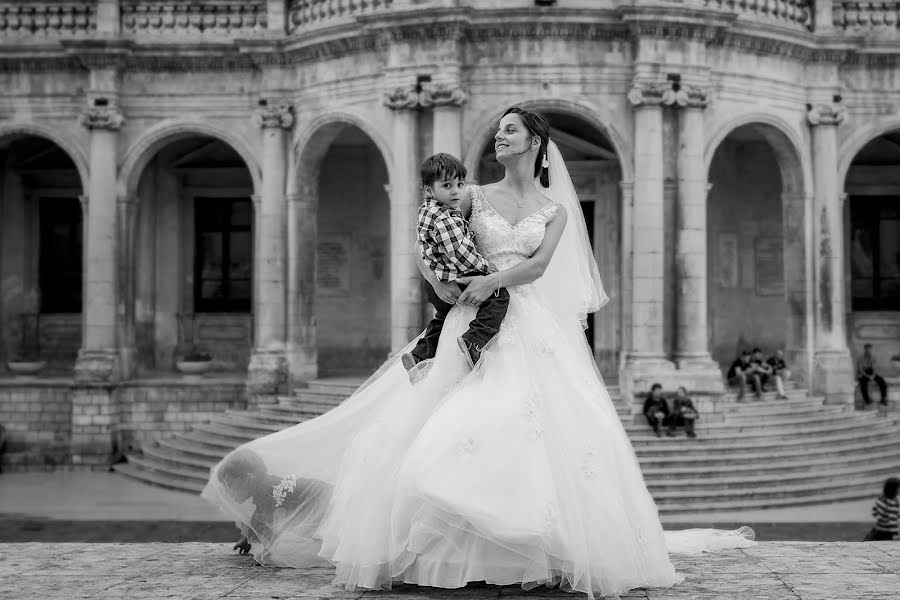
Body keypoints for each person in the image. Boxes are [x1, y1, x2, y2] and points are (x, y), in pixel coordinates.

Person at [202, 106, 754, 599]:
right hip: (469, 317)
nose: (499, 137)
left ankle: (539, 549)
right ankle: (442, 549)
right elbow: (430, 236)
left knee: (540, 432)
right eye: (498, 131)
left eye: (510, 130)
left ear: (535, 142)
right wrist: (439, 284)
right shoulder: (471, 195)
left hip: (528, 322)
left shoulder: (557, 209)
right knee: (443, 429)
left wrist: (494, 283)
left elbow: (537, 268)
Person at [401, 153, 509, 378]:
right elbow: (459, 253)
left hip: (438, 280)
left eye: (460, 184)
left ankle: (420, 354)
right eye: (447, 185)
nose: (455, 191)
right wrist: (486, 267)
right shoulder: (445, 217)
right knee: (499, 296)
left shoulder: (428, 211)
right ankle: (475, 340)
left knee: (443, 317)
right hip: (455, 277)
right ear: (429, 190)